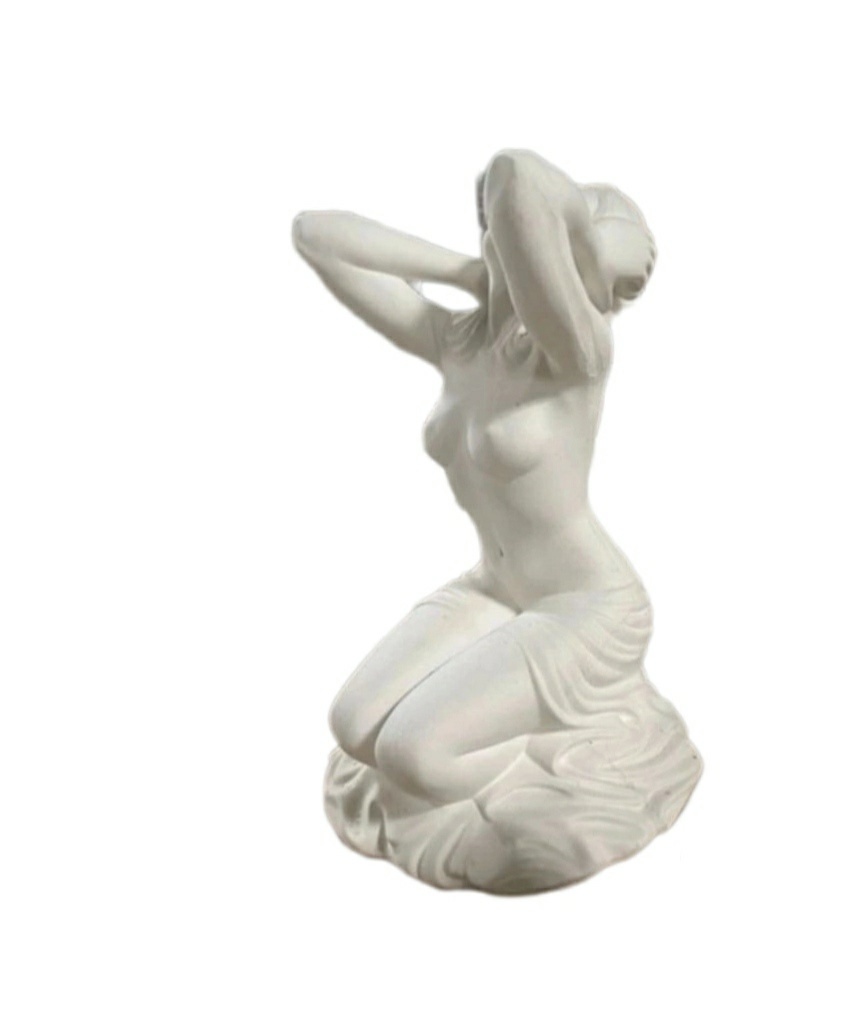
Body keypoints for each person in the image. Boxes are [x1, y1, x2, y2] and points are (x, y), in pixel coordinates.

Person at [294, 150, 700, 893]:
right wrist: (466, 272)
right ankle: (493, 743)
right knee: (352, 724)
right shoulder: (458, 342)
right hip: (494, 586)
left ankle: (561, 767)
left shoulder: (575, 354)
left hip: (585, 604)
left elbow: (517, 177)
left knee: (414, 756)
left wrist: (568, 243)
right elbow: (317, 234)